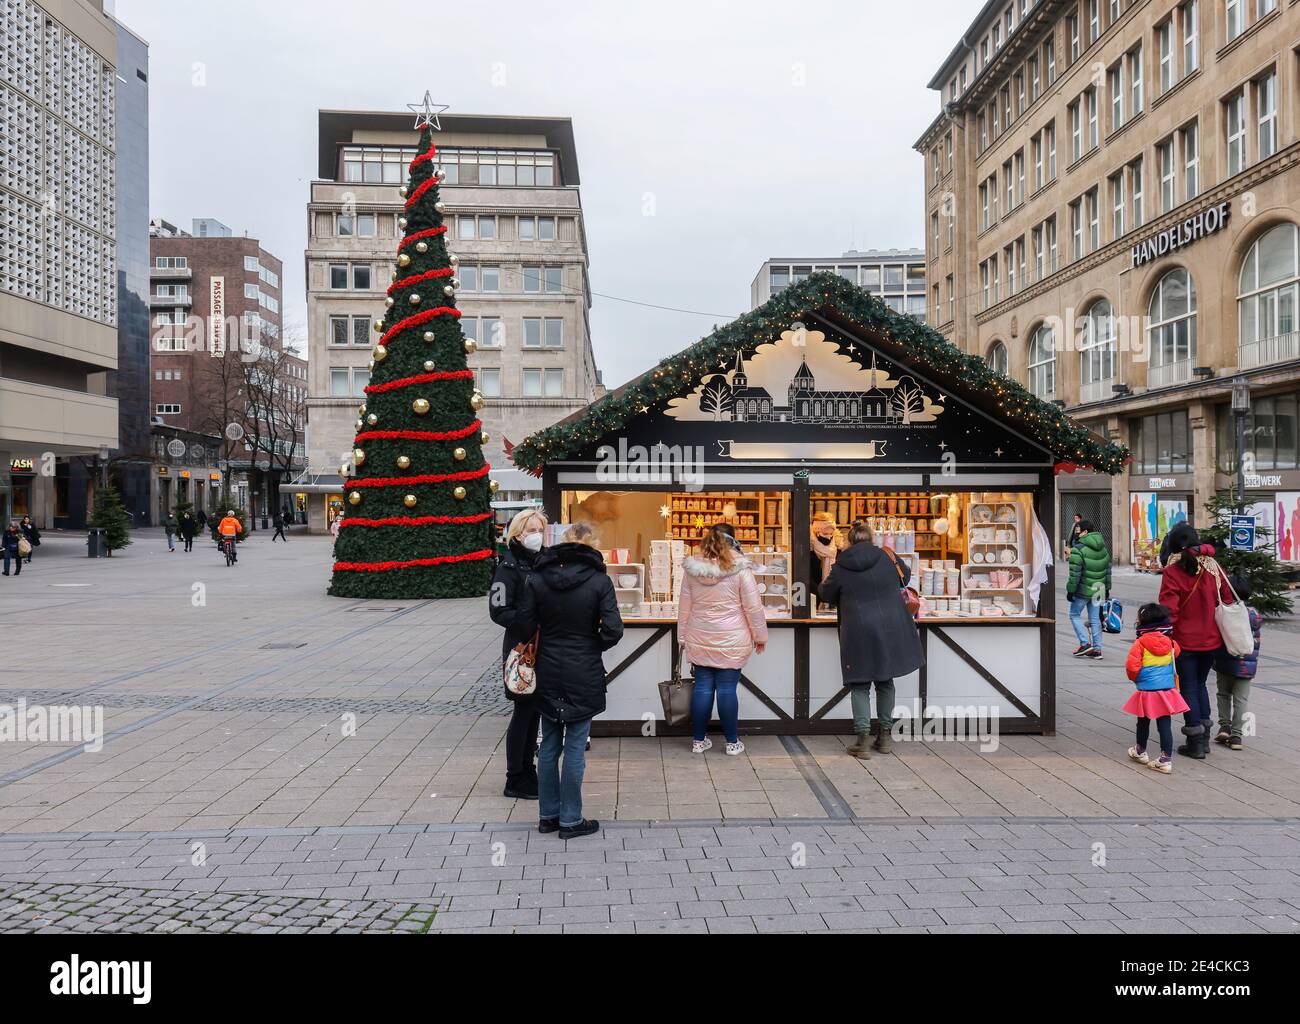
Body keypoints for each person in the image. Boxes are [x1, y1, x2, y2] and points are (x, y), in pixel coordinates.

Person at [513, 523, 623, 840]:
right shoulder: (599, 581)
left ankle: (548, 815)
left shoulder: (537, 578)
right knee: (575, 746)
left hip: (547, 669)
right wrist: (592, 645)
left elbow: (523, 624)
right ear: (592, 547)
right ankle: (571, 819)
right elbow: (613, 630)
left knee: (548, 744)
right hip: (583, 671)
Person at [819, 520, 924, 758]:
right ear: (871, 538)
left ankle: (863, 740)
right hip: (890, 627)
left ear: (850, 540)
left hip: (857, 629)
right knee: (885, 681)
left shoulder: (841, 565)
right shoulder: (887, 556)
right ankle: (885, 737)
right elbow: (905, 578)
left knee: (859, 684)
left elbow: (825, 593)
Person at [677, 523, 768, 756]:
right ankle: (732, 743)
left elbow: (684, 605)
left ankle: (698, 741)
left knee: (703, 688)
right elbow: (753, 608)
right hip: (732, 638)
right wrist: (760, 636)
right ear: (733, 541)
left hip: (699, 635)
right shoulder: (741, 569)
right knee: (727, 689)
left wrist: (682, 636)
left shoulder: (692, 569)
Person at [1158, 529, 1235, 759]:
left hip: (1184, 640)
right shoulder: (1213, 567)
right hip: (1211, 639)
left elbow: (1169, 608)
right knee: (1200, 684)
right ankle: (1204, 736)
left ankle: (1195, 742)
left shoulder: (1172, 571)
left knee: (1189, 686)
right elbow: (1228, 598)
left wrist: (1164, 631)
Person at [489, 508, 549, 800]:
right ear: (517, 533)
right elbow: (498, 610)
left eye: (540, 529)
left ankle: (529, 771)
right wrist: (529, 623)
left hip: (543, 648)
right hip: (521, 649)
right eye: (531, 530)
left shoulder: (544, 562)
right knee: (523, 712)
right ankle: (515, 777)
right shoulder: (508, 566)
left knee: (534, 712)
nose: (536, 535)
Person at [1122, 603, 1191, 774]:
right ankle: (1165, 759)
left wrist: (1136, 679)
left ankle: (1140, 751)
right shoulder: (1171, 642)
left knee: (1143, 722)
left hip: (1147, 690)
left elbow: (1132, 667)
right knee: (1164, 725)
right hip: (1166, 691)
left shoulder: (1140, 643)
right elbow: (1177, 653)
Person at [1213, 575, 1261, 751]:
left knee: (1223, 694)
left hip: (1224, 661)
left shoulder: (1225, 611)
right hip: (1246, 665)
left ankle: (1224, 726)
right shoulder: (1254, 614)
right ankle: (1236, 737)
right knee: (1241, 700)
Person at [1066, 520, 1111, 659]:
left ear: (1085, 531)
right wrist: (1107, 588)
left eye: (1079, 528)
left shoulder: (1078, 549)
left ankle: (1085, 644)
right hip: (1099, 589)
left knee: (1074, 614)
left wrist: (1071, 590)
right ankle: (1097, 650)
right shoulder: (1103, 548)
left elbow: (1075, 573)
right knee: (1095, 619)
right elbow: (1108, 571)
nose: (1077, 531)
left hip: (1083, 590)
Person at [809, 511, 844, 608]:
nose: (829, 537)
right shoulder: (809, 549)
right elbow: (807, 578)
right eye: (825, 533)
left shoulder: (837, 547)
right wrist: (822, 595)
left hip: (833, 600)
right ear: (817, 532)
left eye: (831, 533)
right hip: (812, 600)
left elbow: (839, 575)